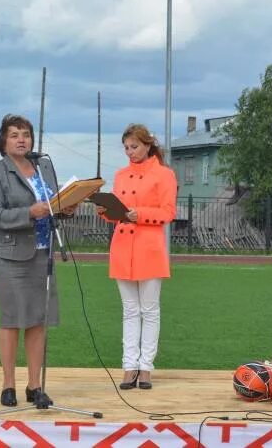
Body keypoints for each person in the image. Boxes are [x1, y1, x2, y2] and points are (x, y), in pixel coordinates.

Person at [0, 114, 72, 407]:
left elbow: (52, 204)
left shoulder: (43, 167)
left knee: (38, 321)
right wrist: (29, 213)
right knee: (12, 320)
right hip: (9, 255)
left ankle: (35, 386)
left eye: (26, 135)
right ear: (3, 141)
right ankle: (8, 386)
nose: (22, 140)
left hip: (43, 253)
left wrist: (66, 207)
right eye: (15, 134)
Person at [96, 123, 177, 390]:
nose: (130, 152)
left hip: (149, 249)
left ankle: (146, 369)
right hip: (122, 248)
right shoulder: (120, 175)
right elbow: (115, 210)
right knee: (129, 311)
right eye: (126, 148)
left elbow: (167, 213)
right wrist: (105, 210)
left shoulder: (164, 175)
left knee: (150, 311)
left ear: (148, 145)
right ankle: (129, 366)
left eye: (135, 146)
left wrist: (139, 214)